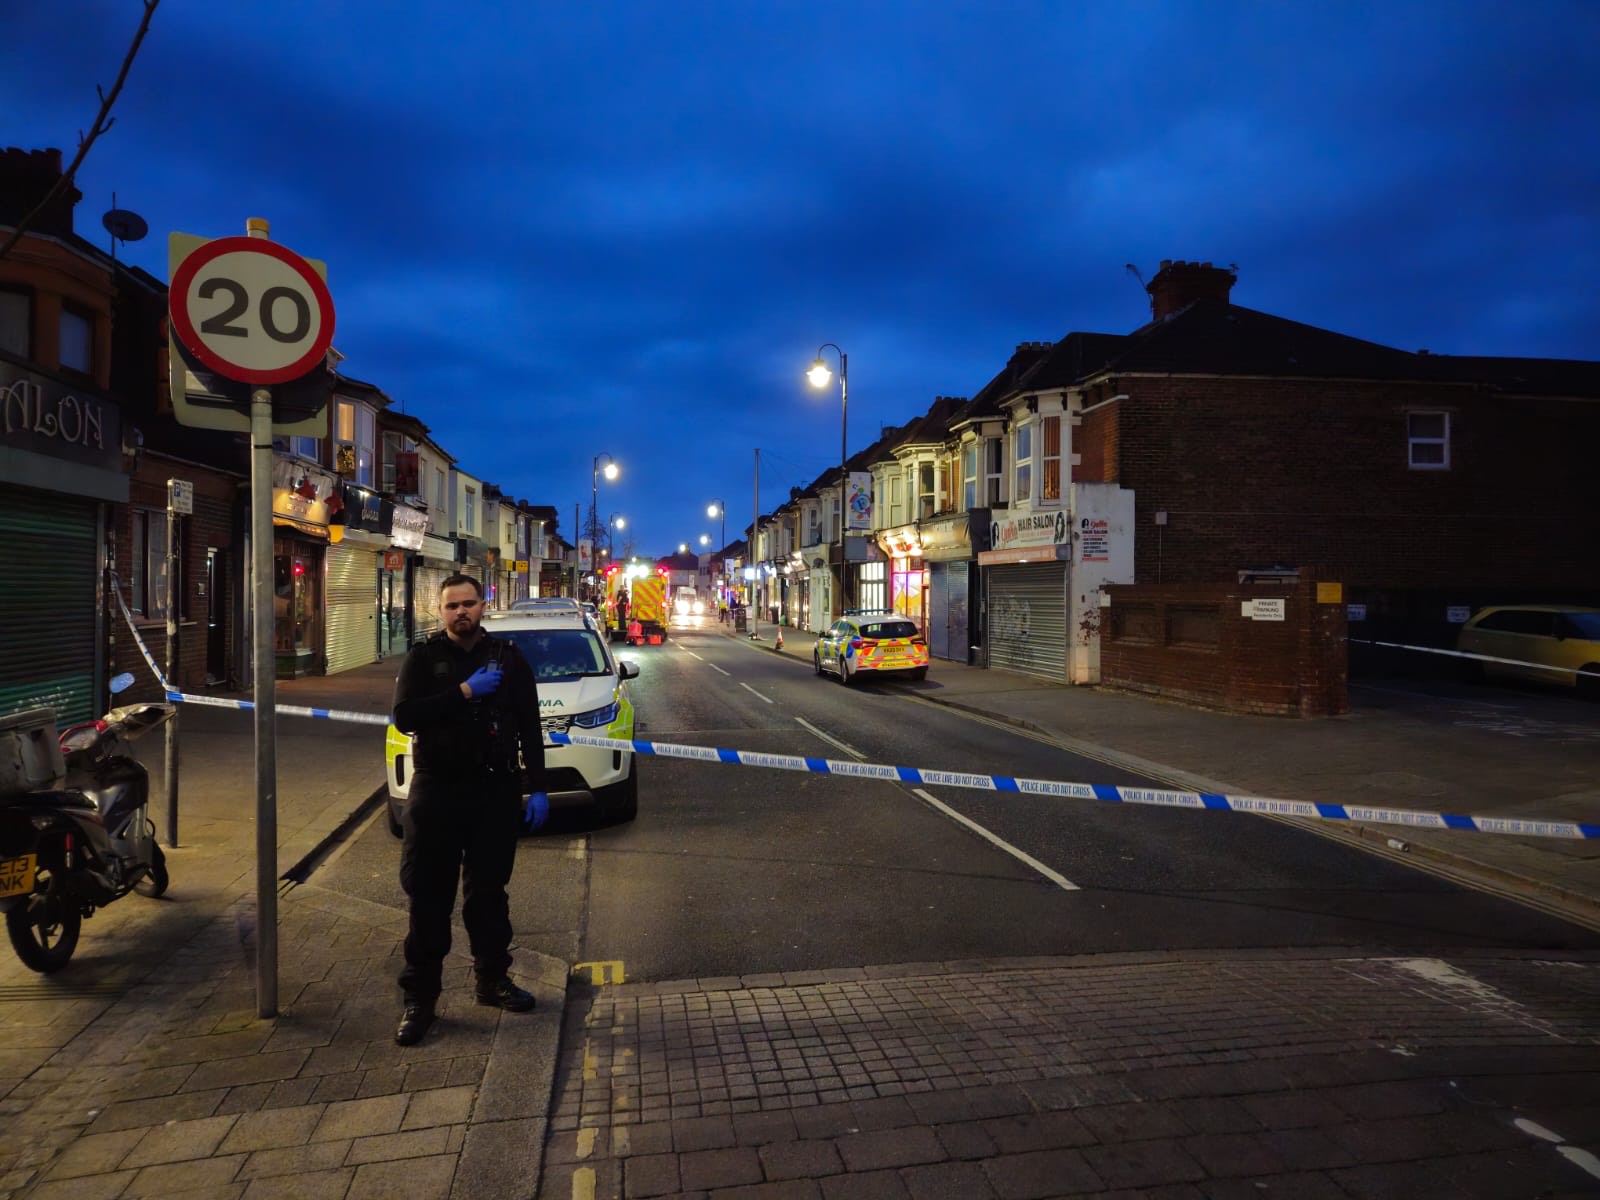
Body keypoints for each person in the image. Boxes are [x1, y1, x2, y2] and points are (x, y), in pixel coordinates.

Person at [390, 573, 545, 1046]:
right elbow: (405, 716)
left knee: (488, 895)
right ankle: (421, 1001)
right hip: (437, 791)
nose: (461, 612)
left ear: (484, 606)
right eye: (452, 605)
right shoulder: (423, 658)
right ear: (441, 612)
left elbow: (531, 729)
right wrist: (463, 693)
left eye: (469, 604)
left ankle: (491, 980)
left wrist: (536, 788)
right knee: (429, 898)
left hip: (492, 791)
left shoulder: (510, 661)